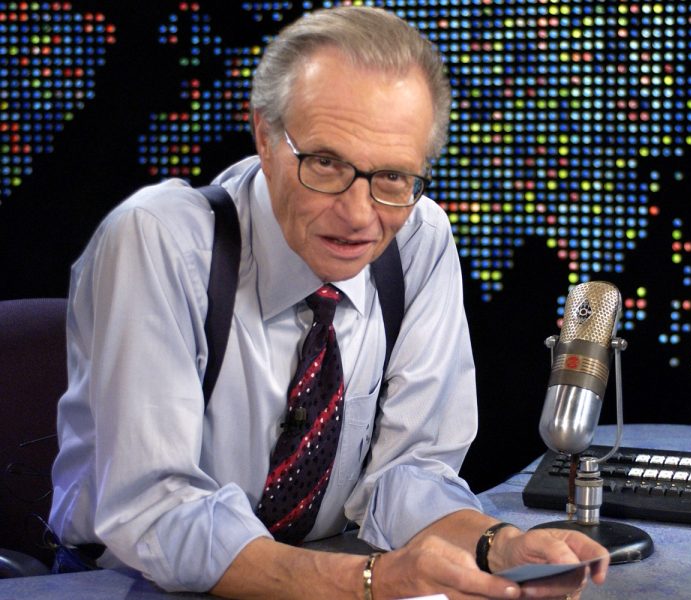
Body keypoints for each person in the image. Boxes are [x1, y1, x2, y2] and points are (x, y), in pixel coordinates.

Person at [49, 6, 609, 598]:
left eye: (393, 177)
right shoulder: (157, 240)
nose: (359, 215)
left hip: (326, 573)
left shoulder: (419, 239)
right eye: (325, 163)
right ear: (265, 136)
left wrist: (495, 543)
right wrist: (370, 581)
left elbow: (408, 475)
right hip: (125, 585)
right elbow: (158, 510)